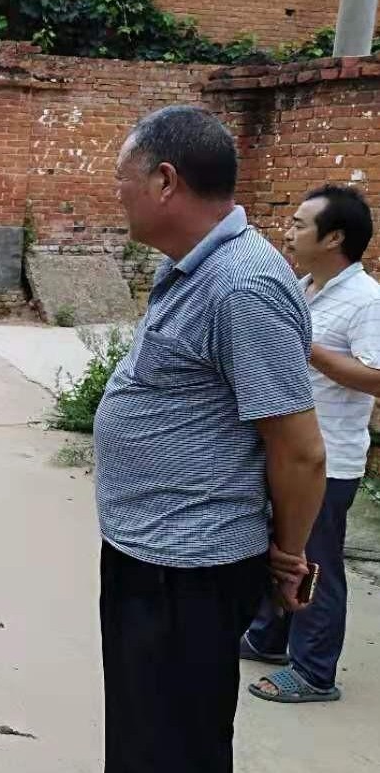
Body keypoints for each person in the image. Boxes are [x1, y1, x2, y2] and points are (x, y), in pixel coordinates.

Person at [94, 105, 326, 772]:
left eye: (123, 178)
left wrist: (287, 557)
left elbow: (301, 449)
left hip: (188, 571)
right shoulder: (196, 266)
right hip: (153, 556)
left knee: (178, 748)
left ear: (165, 181)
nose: (117, 193)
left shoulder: (242, 285)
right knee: (145, 739)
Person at [241, 184, 380, 703]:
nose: (289, 231)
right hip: (289, 451)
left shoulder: (367, 301)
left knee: (313, 562)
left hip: (330, 461)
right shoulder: (305, 287)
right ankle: (270, 638)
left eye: (301, 224)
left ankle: (314, 671)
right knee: (279, 550)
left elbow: (377, 377)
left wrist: (307, 346)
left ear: (335, 237)